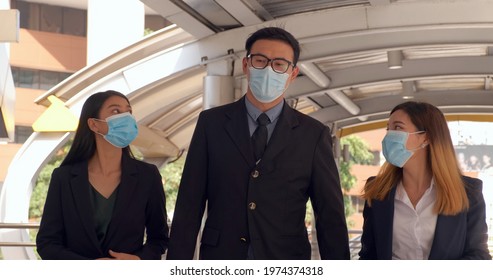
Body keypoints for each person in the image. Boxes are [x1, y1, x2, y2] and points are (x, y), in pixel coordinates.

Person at [166, 27, 350, 260]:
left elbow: (329, 216)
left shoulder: (313, 135)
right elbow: (189, 205)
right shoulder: (211, 124)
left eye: (280, 64)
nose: (269, 70)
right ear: (246, 65)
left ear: (293, 74)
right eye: (260, 60)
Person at [36, 90, 169, 260]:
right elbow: (47, 243)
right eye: (115, 111)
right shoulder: (63, 177)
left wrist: (137, 260)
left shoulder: (147, 176)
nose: (126, 117)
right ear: (93, 124)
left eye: (128, 111)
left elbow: (159, 239)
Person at [359, 101, 491, 260]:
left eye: (398, 128)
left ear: (426, 138)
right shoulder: (377, 190)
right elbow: (369, 255)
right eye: (388, 129)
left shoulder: (469, 192)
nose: (388, 136)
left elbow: (478, 256)